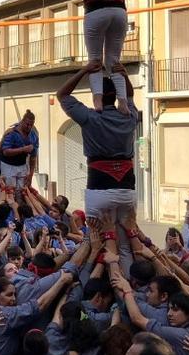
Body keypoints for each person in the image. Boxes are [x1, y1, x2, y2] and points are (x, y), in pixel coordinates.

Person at [56, 62, 140, 270]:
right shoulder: (129, 116)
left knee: (95, 241)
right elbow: (129, 97)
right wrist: (124, 76)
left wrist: (84, 71)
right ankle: (128, 282)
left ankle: (96, 285)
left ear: (98, 96)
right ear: (116, 96)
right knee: (125, 245)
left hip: (99, 189)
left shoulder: (90, 117)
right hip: (127, 189)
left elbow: (62, 94)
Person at [0, 111, 39, 191]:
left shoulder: (33, 136)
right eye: (27, 124)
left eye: (31, 125)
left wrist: (30, 175)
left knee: (22, 191)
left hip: (22, 165)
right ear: (22, 121)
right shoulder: (11, 133)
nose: (29, 127)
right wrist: (23, 149)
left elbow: (33, 157)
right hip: (8, 165)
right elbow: (5, 151)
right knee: (9, 191)